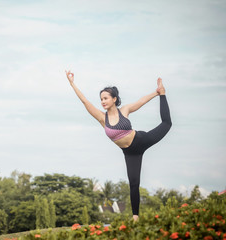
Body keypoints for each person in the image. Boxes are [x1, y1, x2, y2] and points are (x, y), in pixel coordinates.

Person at [65, 70, 172, 221]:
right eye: (101, 99)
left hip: (141, 139)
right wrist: (72, 83)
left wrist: (157, 93)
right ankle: (135, 217)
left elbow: (141, 101)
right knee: (134, 183)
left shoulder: (124, 111)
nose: (102, 101)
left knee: (167, 124)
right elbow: (85, 102)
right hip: (130, 153)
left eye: (106, 98)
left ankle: (163, 94)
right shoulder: (103, 118)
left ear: (114, 99)